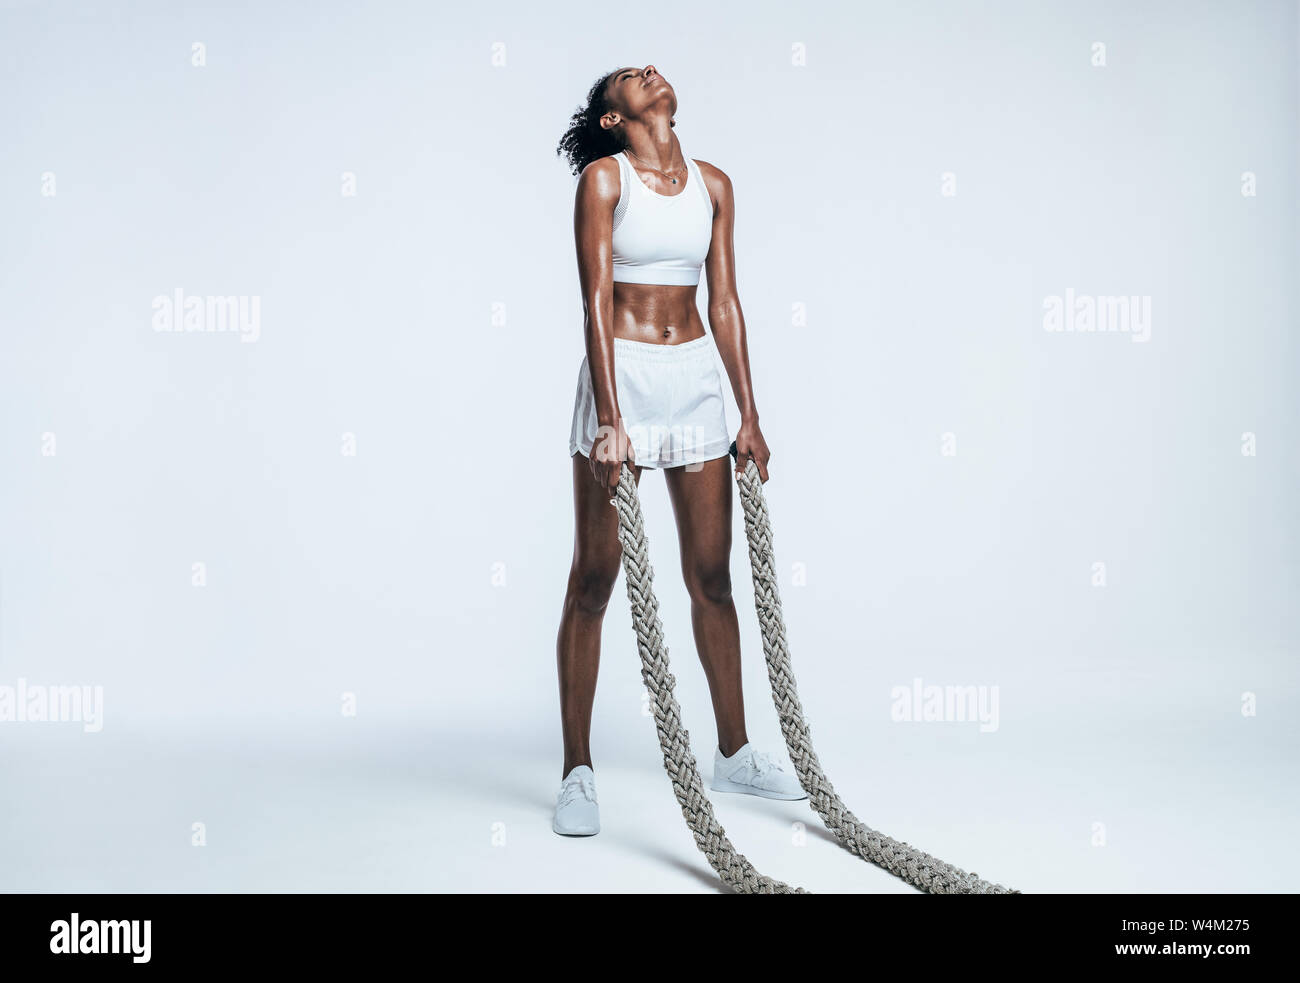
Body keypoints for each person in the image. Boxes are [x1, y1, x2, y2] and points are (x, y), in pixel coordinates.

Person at [551, 64, 806, 837]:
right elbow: (595, 296)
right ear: (611, 118)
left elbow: (722, 299)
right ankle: (576, 770)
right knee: (595, 579)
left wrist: (749, 413)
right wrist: (609, 414)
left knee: (712, 578)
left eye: (649, 68)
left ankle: (733, 753)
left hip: (693, 379)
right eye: (628, 78)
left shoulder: (714, 184)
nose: (647, 73)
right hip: (623, 375)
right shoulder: (603, 180)